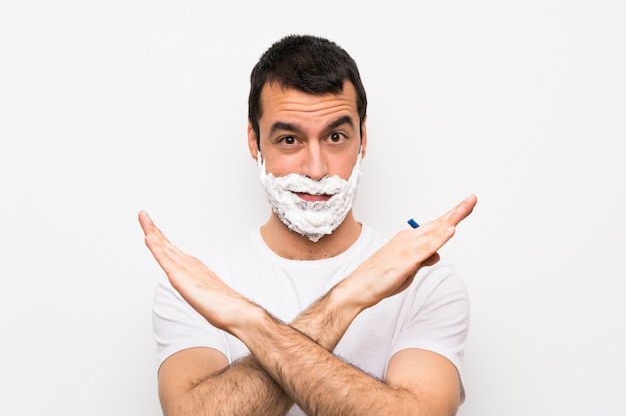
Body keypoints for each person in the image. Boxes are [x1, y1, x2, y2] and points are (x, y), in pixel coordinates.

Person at [139, 34, 478, 416]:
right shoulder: (194, 285)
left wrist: (248, 323)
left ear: (362, 138)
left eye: (335, 137)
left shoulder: (427, 282)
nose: (316, 170)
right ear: (255, 142)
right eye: (289, 139)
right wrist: (348, 298)